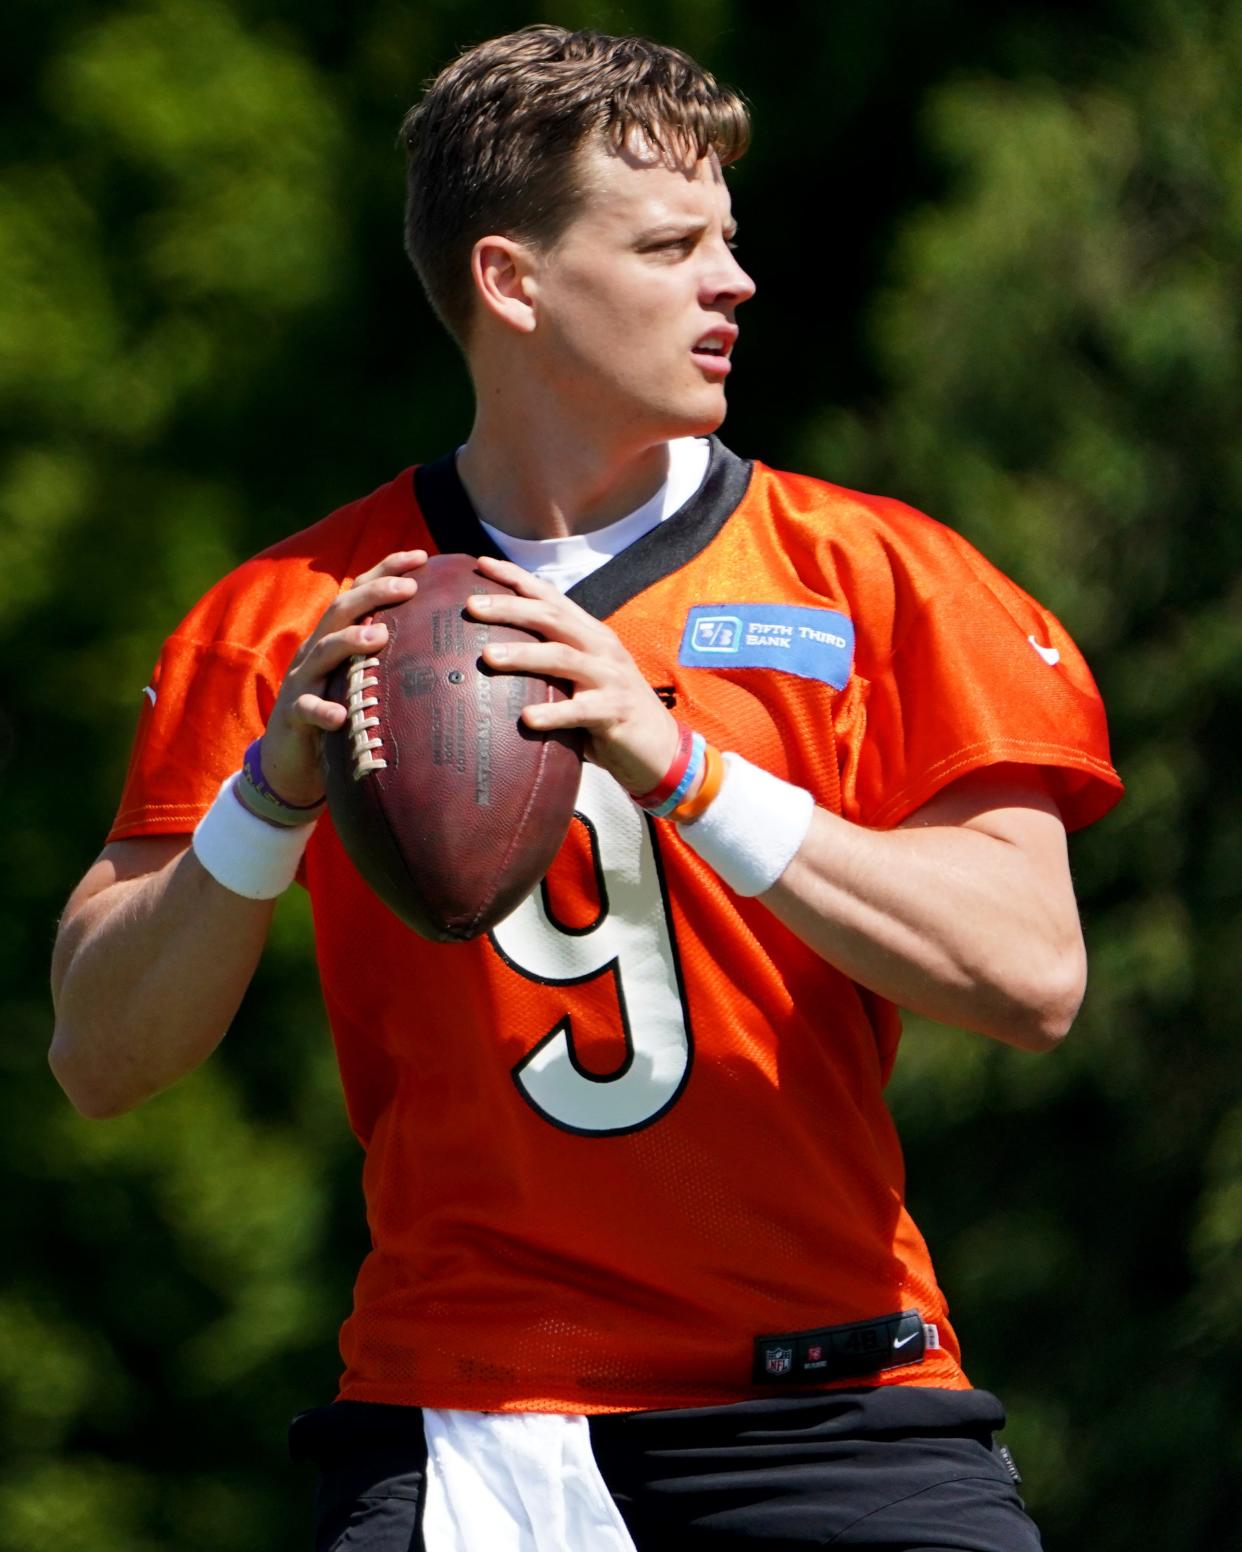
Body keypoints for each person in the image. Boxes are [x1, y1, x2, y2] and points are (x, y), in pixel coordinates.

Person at [50, 23, 1122, 1552]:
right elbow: (100, 1056)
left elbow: (1028, 974)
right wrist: (265, 797)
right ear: (512, 280)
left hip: (827, 1405)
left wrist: (683, 765)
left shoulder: (881, 581)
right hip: (458, 1414)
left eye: (727, 242)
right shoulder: (294, 614)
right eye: (674, 244)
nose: (731, 282)